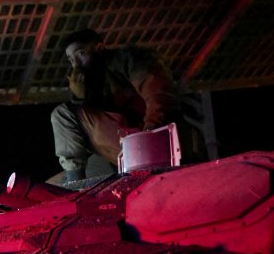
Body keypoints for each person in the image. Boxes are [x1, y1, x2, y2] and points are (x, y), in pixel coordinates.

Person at [51, 28, 185, 183]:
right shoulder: (90, 83)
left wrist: (150, 133)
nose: (76, 65)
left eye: (80, 54)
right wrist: (80, 98)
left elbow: (158, 94)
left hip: (155, 139)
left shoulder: (127, 58)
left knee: (62, 114)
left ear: (99, 48)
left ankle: (75, 182)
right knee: (66, 116)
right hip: (126, 149)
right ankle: (75, 183)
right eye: (71, 59)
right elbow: (91, 128)